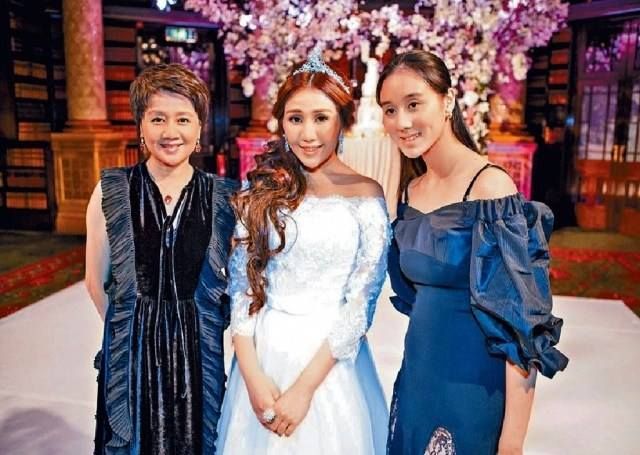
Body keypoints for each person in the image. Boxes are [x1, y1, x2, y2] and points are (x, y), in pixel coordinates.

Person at [376, 50, 569, 455]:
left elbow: (521, 327)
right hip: (417, 379)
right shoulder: (411, 189)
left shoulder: (490, 189)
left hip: (473, 386)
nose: (402, 122)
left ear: (447, 101)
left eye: (414, 104)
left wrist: (512, 441)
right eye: (390, 110)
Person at [215, 48, 390, 454]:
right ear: (281, 122)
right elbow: (242, 286)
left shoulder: (365, 195)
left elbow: (361, 303)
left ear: (342, 120)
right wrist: (252, 377)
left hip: (329, 363)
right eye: (296, 119)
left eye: (321, 118)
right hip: (264, 353)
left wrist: (304, 389)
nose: (308, 134)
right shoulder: (261, 190)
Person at [85, 63, 237, 455]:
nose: (171, 132)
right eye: (158, 119)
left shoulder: (224, 197)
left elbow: (236, 285)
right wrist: (132, 331)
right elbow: (95, 281)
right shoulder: (113, 190)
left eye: (183, 119)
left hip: (197, 356)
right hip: (131, 356)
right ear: (141, 127)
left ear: (200, 128)